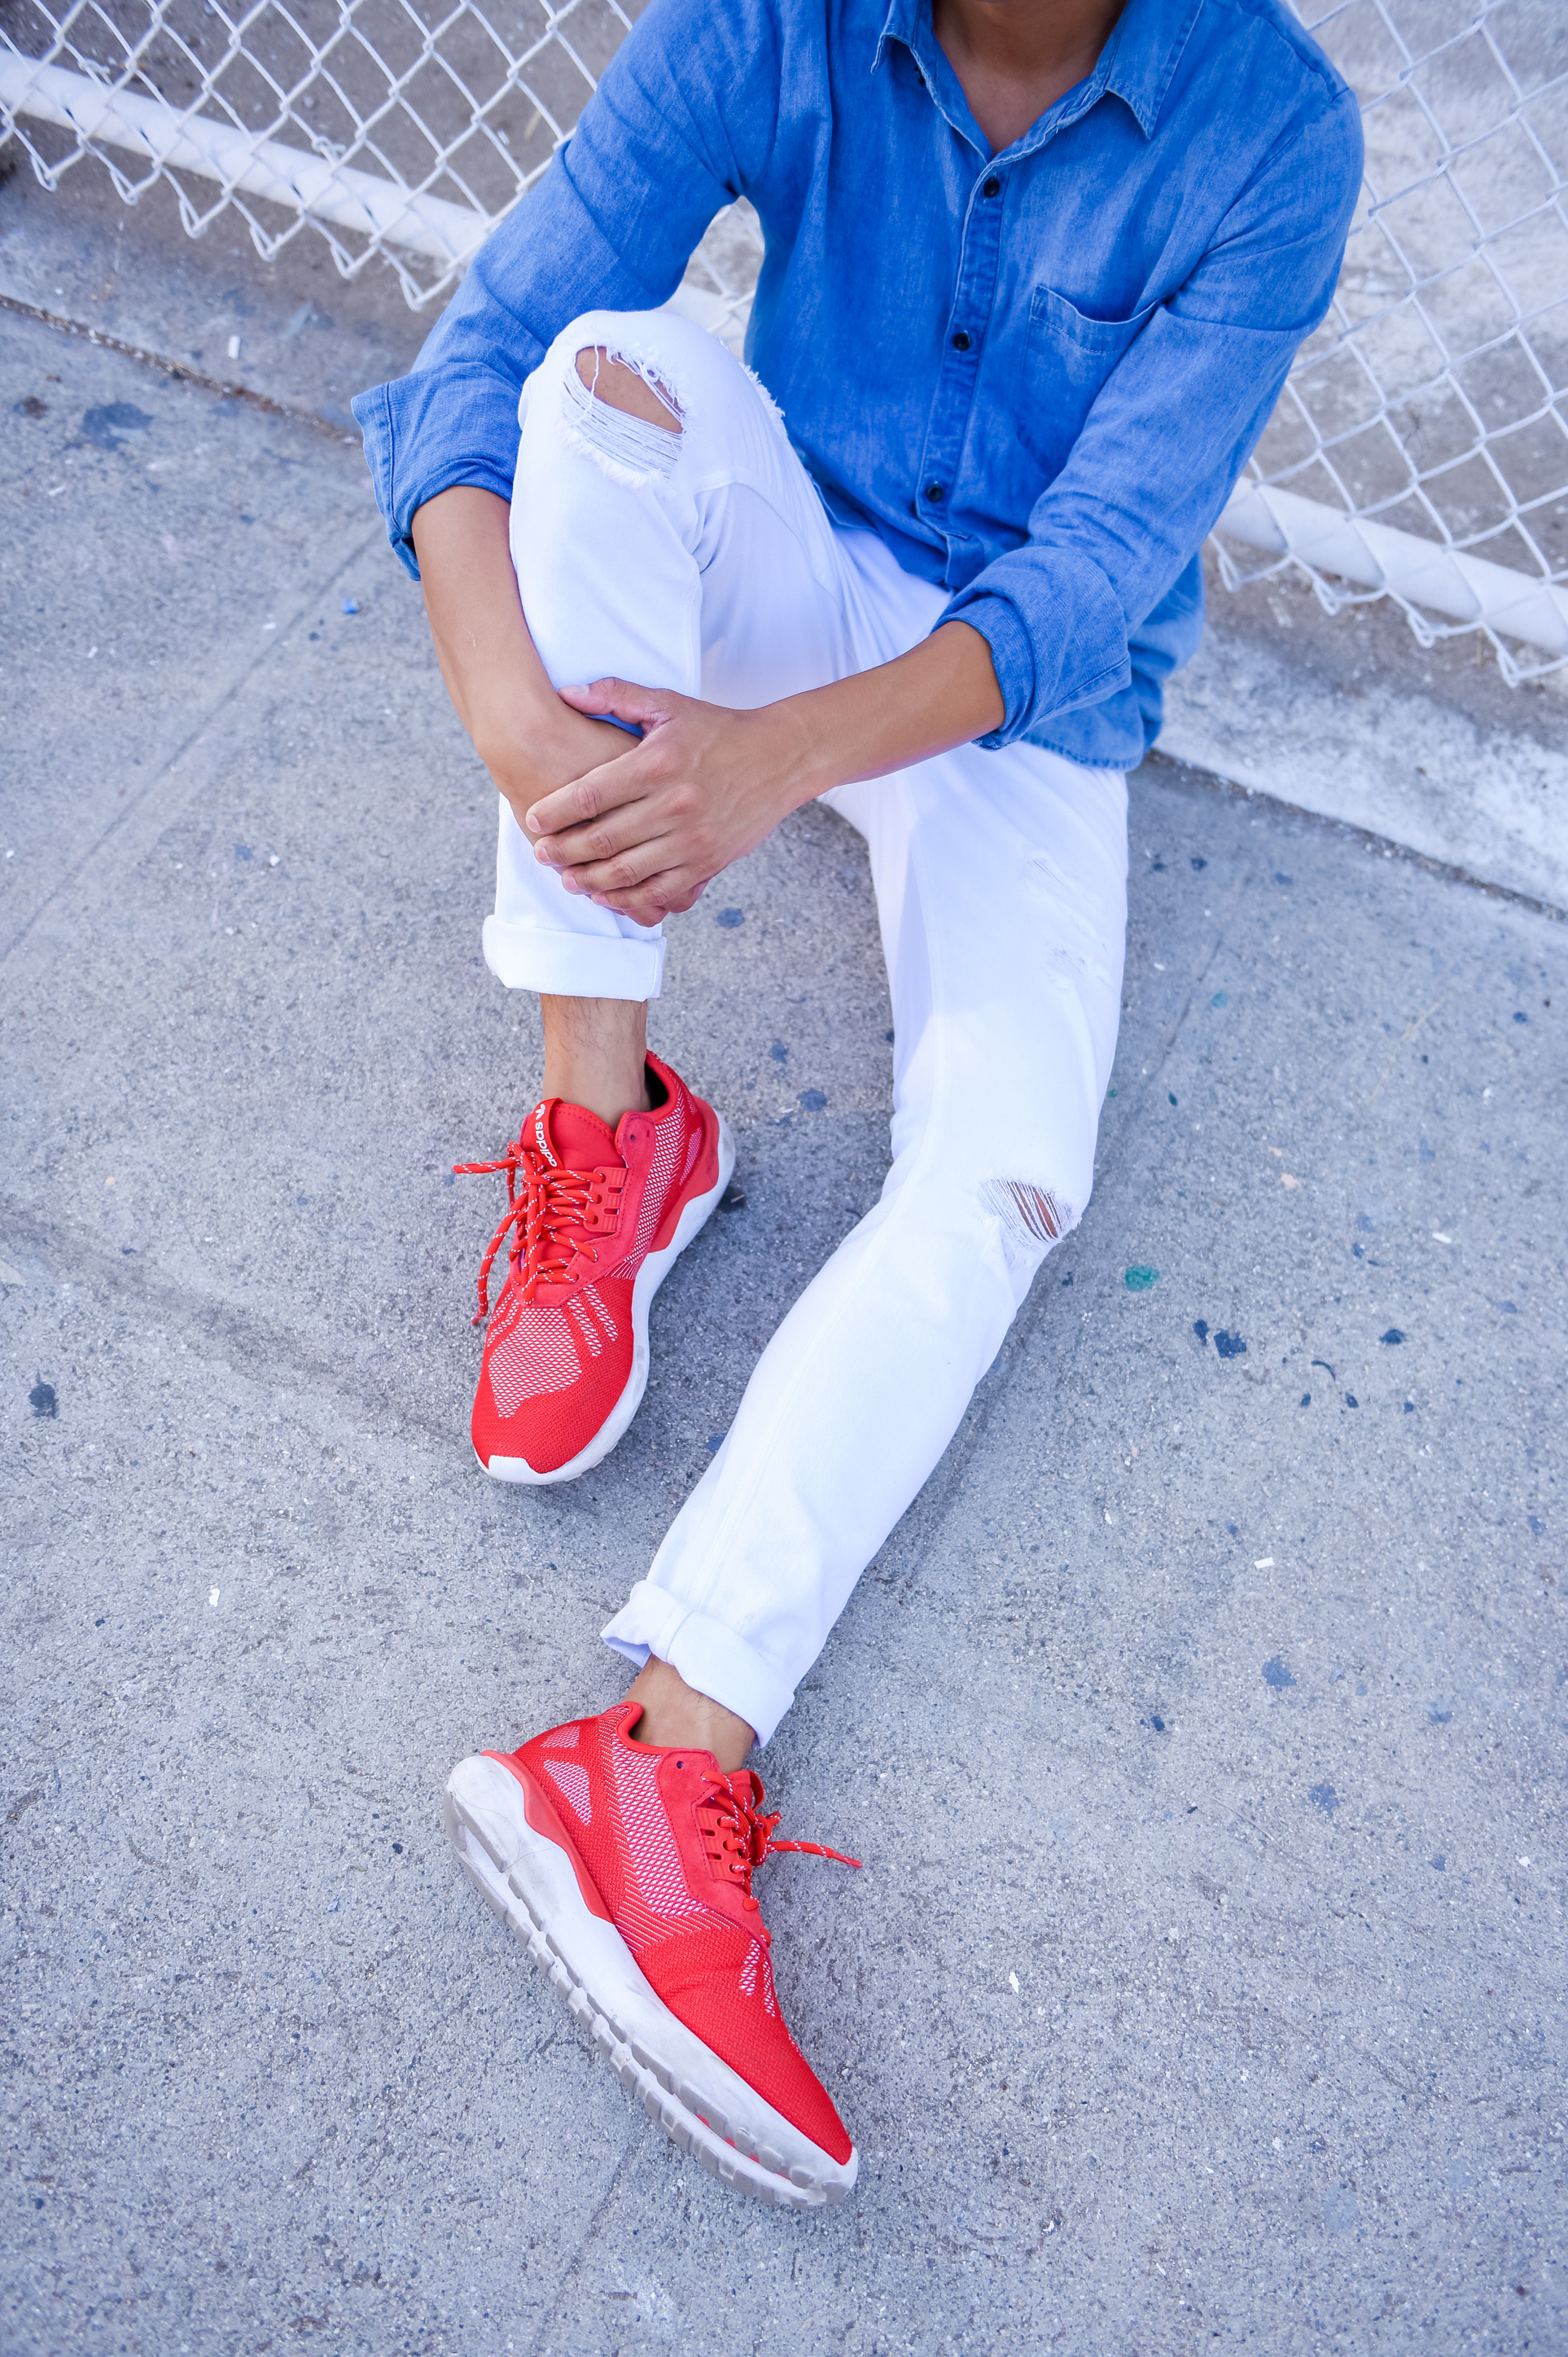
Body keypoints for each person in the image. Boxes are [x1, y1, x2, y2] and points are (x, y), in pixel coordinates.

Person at [353, 0, 1361, 2207]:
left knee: (1012, 1176)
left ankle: (653, 1757)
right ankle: (608, 1121)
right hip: (773, 566)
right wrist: (525, 729)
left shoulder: (1271, 126)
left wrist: (764, 769)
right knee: (596, 389)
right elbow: (480, 343)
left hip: (1016, 706)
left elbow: (1100, 564)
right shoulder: (768, 20)